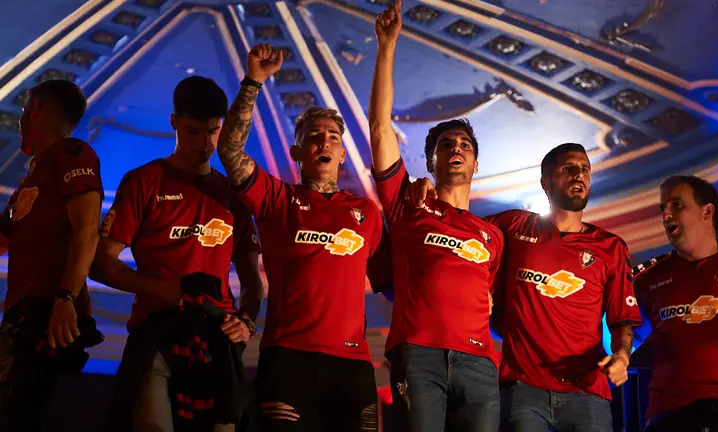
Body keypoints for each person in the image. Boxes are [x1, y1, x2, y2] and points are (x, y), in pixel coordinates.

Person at [408, 143, 643, 431]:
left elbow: (623, 320)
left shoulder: (612, 247)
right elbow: (459, 224)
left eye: (584, 170)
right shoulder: (514, 226)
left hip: (588, 395)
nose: (578, 175)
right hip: (523, 393)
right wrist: (429, 191)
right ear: (545, 183)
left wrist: (621, 354)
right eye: (567, 169)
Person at [217, 43, 385, 432]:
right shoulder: (277, 199)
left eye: (332, 137)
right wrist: (253, 82)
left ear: (343, 154)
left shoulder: (367, 214)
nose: (324, 142)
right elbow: (229, 149)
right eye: (313, 136)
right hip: (289, 360)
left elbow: (396, 279)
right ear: (297, 151)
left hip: (354, 365)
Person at [92, 76, 263, 431]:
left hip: (218, 340)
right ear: (173, 122)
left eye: (214, 131)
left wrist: (246, 323)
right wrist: (164, 290)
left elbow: (252, 281)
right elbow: (101, 263)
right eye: (193, 131)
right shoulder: (143, 182)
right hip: (155, 336)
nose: (205, 144)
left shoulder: (233, 194)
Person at [369, 2, 504, 430]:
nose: (457, 149)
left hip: (480, 362)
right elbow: (379, 129)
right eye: (446, 144)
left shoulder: (492, 236)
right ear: (431, 161)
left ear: (476, 163)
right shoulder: (409, 204)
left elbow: (491, 299)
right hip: (419, 355)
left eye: (464, 144)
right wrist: (387, 46)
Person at [0, 79, 104, 430]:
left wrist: (65, 299)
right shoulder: (28, 185)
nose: (19, 121)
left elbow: (88, 230)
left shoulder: (72, 153)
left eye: (25, 110)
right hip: (19, 322)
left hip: (49, 319)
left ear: (36, 110)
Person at [632, 175, 718, 432]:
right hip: (666, 419)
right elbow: (620, 342)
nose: (666, 215)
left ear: (707, 212)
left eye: (676, 205)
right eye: (663, 208)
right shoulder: (647, 278)